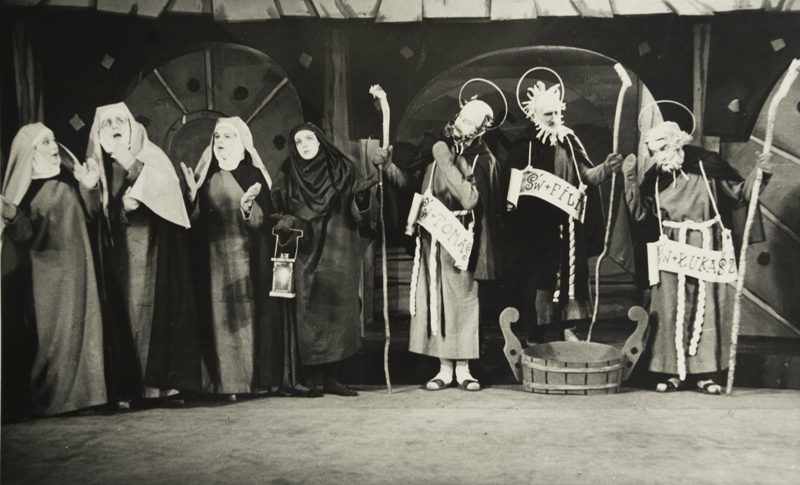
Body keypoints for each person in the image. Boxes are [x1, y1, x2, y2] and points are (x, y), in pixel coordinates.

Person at [622, 119, 771, 394]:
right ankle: (671, 373)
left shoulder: (707, 166)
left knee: (708, 308)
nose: (657, 157)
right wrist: (630, 179)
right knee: (669, 309)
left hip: (706, 244)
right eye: (653, 152)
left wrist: (760, 173)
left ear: (677, 144)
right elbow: (640, 214)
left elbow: (741, 193)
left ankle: (706, 374)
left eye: (662, 149)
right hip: (671, 247)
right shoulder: (656, 177)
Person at [374, 93, 504, 392]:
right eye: (461, 117)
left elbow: (470, 199)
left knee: (463, 303)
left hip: (461, 240)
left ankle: (464, 369)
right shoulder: (435, 147)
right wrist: (389, 167)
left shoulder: (482, 159)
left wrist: (446, 162)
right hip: (431, 239)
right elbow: (410, 185)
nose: (461, 124)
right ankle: (444, 368)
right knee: (437, 302)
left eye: (470, 122)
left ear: (481, 128)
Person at [86, 102, 198, 407]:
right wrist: (119, 207)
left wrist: (132, 165)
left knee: (151, 313)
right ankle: (129, 389)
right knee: (124, 317)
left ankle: (159, 390)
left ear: (132, 126)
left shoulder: (152, 155)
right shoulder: (96, 165)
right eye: (107, 123)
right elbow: (91, 215)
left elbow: (165, 190)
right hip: (116, 255)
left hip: (152, 250)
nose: (114, 127)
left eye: (120, 121)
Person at [0, 123, 107, 416]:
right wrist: (11, 214)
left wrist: (90, 187)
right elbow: (22, 235)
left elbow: (92, 214)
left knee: (84, 332)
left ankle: (86, 398)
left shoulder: (69, 180)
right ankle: (54, 400)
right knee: (54, 339)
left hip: (80, 270)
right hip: (47, 277)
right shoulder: (26, 190)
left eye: (54, 140)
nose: (54, 147)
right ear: (30, 152)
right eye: (45, 142)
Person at [505, 77, 621, 345]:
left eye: (558, 112)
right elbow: (510, 190)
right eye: (549, 114)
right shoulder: (524, 146)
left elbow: (586, 176)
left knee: (570, 275)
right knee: (538, 280)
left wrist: (606, 168)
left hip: (567, 222)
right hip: (535, 227)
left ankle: (569, 328)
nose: (555, 118)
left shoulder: (569, 141)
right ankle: (536, 333)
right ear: (535, 115)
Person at [271, 122, 378, 397]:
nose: (304, 145)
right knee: (307, 311)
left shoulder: (344, 169)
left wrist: (362, 198)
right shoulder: (288, 172)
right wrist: (287, 221)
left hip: (339, 250)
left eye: (309, 139)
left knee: (339, 311)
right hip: (304, 250)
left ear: (320, 140)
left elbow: (362, 214)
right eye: (298, 142)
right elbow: (278, 208)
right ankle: (311, 377)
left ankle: (333, 377)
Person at [181, 117, 283, 399]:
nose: (221, 142)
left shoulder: (253, 175)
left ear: (240, 142)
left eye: (228, 136)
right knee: (217, 320)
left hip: (247, 259)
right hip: (213, 260)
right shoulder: (207, 178)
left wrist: (249, 209)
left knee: (246, 319)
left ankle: (248, 382)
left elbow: (264, 222)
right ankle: (222, 384)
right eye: (217, 137)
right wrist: (192, 197)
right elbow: (194, 223)